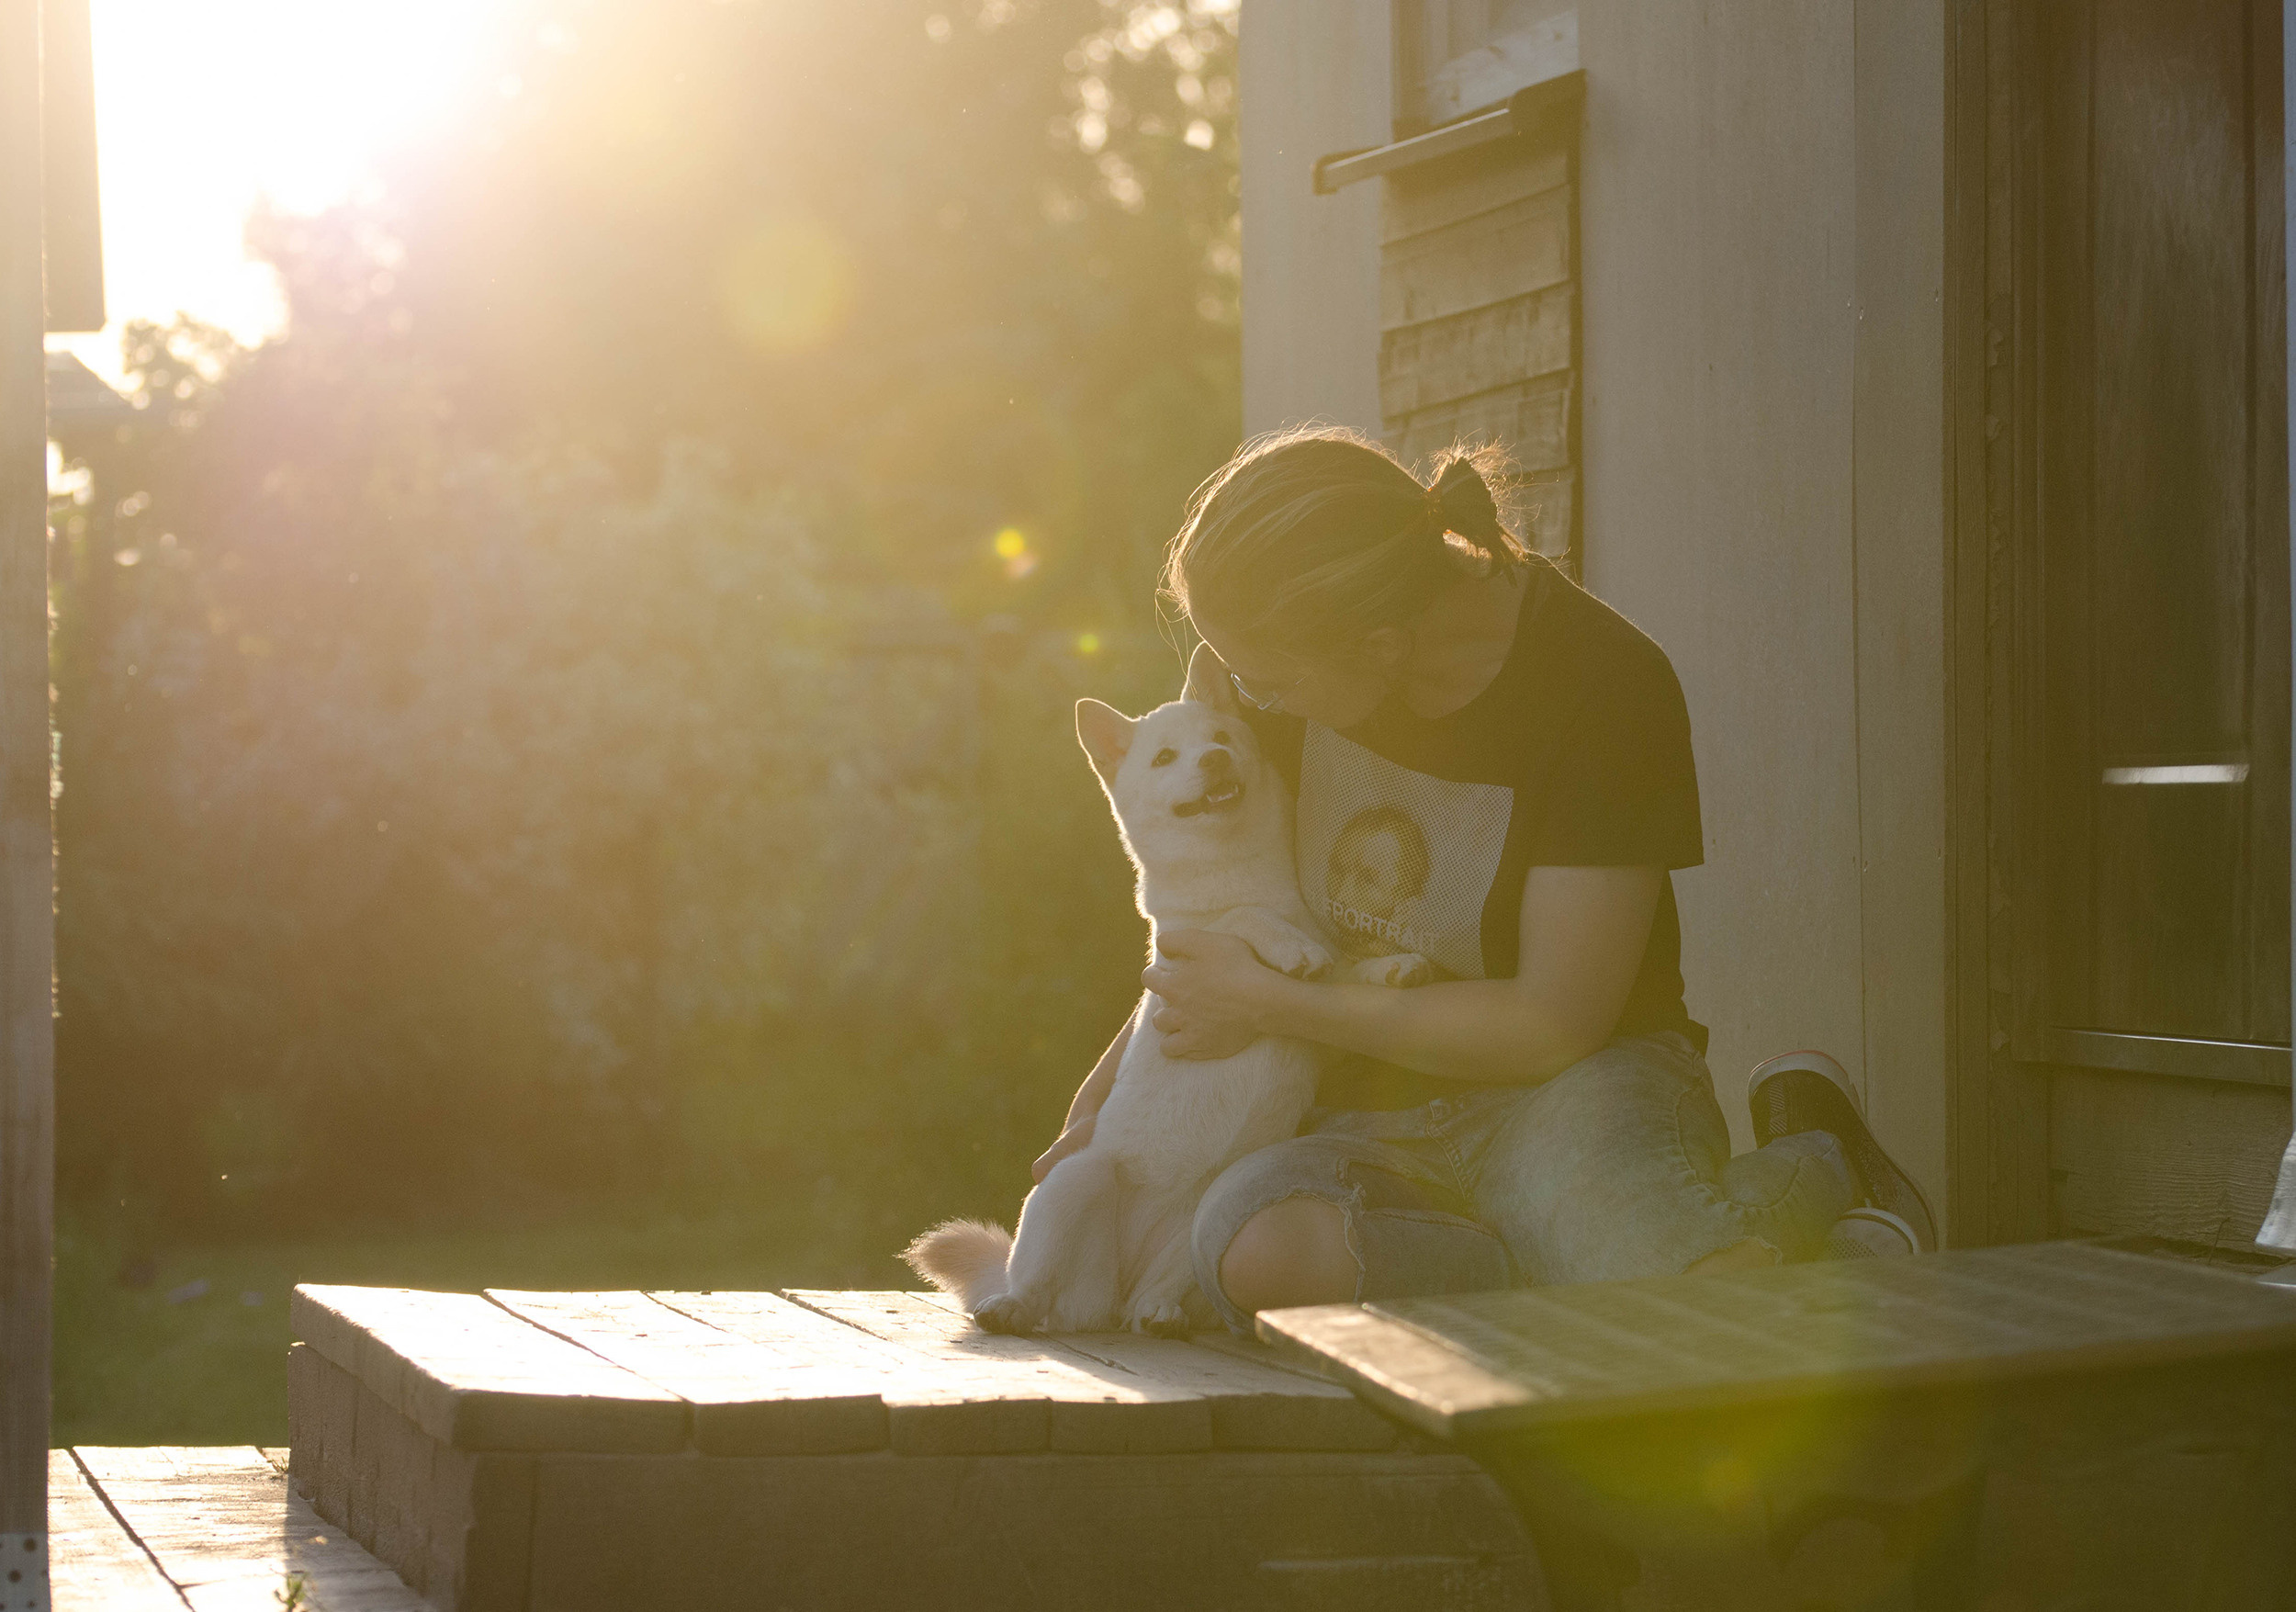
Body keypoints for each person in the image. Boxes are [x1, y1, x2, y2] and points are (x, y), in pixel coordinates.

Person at [1035, 426, 1934, 1335]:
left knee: (1681, 1312)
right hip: (1375, 1100)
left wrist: (1272, 1005)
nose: (1250, 705)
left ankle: (1818, 1164)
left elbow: (1551, 1021)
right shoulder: (1297, 686)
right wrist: (1101, 1104)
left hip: (1574, 1081)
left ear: (1375, 644)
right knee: (1251, 1254)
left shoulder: (1604, 684)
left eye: (1265, 683)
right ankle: (1556, 1250)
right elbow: (1224, 915)